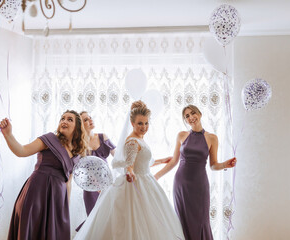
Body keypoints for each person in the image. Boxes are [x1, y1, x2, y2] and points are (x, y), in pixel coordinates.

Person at [74, 101, 184, 240]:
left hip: (145, 179)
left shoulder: (139, 138)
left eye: (146, 123)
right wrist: (130, 172)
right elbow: (129, 164)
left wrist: (161, 161)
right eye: (140, 123)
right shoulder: (132, 141)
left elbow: (140, 162)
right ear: (132, 123)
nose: (144, 127)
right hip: (136, 183)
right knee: (134, 221)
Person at [0, 110, 88, 240]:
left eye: (70, 119)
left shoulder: (77, 155)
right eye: (62, 118)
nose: (64, 121)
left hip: (57, 199)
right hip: (37, 193)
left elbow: (68, 183)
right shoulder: (49, 139)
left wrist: (65, 208)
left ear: (77, 127)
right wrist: (8, 134)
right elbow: (22, 151)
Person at [154, 104, 237, 240]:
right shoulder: (182, 135)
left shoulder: (212, 138)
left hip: (199, 186)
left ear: (200, 114)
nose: (191, 117)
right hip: (181, 184)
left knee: (200, 221)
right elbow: (174, 161)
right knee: (182, 221)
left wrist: (224, 164)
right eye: (187, 116)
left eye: (193, 113)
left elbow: (213, 165)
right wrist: (156, 176)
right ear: (185, 120)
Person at [75, 111, 116, 231]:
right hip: (90, 189)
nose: (90, 120)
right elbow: (80, 169)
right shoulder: (78, 145)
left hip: (107, 185)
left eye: (90, 117)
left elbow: (119, 157)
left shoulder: (103, 137)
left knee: (109, 219)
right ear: (80, 126)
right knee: (95, 222)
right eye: (85, 120)